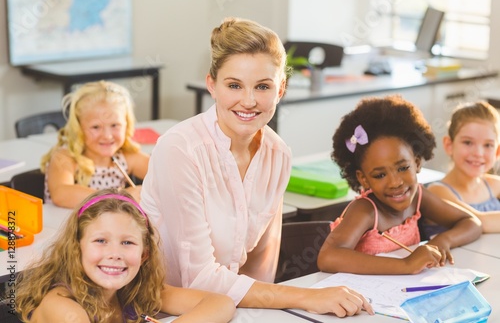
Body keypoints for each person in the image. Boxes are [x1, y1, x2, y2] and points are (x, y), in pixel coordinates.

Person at [141, 17, 373, 317]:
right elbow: (198, 279)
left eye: (262, 86)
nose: (248, 101)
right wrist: (306, 297)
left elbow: (261, 264)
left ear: (281, 89)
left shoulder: (278, 154)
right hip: (168, 313)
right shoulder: (180, 150)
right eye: (234, 85)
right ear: (211, 85)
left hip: (237, 311)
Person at [317, 95, 482, 275]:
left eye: (403, 168)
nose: (396, 182)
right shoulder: (365, 211)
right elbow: (328, 258)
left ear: (417, 163)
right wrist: (406, 265)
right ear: (363, 178)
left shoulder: (417, 197)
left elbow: (471, 222)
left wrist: (442, 242)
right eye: (380, 175)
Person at [16, 188, 236, 323]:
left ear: (144, 255)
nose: (115, 254)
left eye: (127, 243)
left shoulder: (135, 290)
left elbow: (221, 304)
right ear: (76, 247)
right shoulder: (64, 309)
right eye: (101, 241)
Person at [41, 80, 150, 208]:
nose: (107, 136)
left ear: (127, 125)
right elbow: (61, 194)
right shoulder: (65, 157)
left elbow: (164, 173)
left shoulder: (126, 157)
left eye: (115, 125)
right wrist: (118, 196)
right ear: (78, 128)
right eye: (96, 127)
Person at [427, 101, 500, 234]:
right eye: (468, 142)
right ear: (449, 145)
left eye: (488, 145)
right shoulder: (437, 192)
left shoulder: (494, 185)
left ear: (497, 152)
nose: (478, 153)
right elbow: (478, 223)